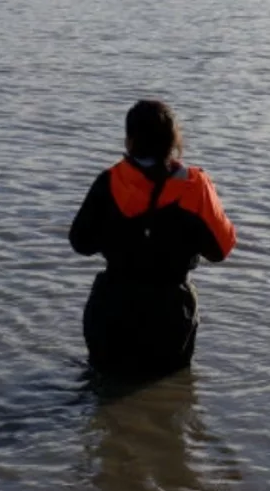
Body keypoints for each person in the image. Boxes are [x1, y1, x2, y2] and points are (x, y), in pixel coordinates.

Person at [69, 100, 237, 378]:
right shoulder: (194, 186)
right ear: (174, 141)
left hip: (112, 306)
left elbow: (80, 242)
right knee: (165, 393)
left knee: (102, 388)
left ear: (130, 140)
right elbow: (221, 249)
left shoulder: (110, 181)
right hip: (169, 313)